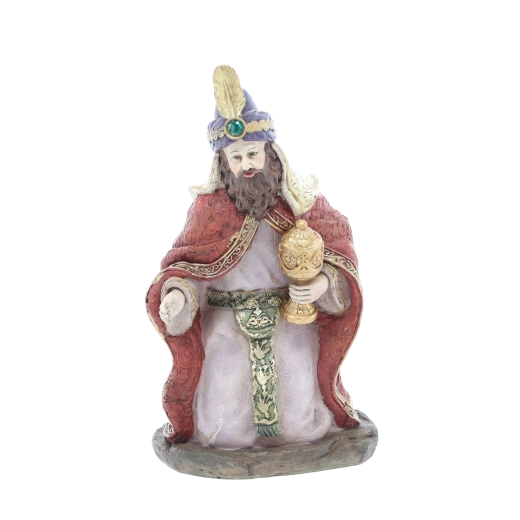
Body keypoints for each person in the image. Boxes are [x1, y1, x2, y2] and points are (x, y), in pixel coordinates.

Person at [145, 65, 363, 449]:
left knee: (299, 416)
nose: (246, 164)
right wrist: (178, 296)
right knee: (224, 421)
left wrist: (322, 284)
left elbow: (336, 254)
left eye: (252, 154)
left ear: (269, 153)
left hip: (290, 319)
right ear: (223, 163)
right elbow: (189, 266)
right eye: (236, 157)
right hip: (226, 324)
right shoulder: (209, 212)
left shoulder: (299, 202)